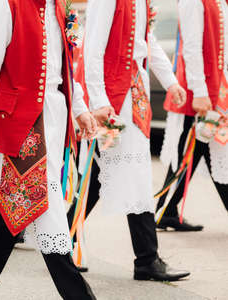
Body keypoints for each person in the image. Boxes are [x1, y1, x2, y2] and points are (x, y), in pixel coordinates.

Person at [0, 1, 97, 299]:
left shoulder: (59, 7)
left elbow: (66, 68)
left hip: (54, 119)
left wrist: (80, 108)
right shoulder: (6, 5)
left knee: (15, 206)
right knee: (36, 202)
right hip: (24, 123)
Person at [77, 0, 191, 281]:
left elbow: (145, 40)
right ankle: (146, 259)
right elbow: (92, 47)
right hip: (114, 96)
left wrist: (171, 81)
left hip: (133, 94)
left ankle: (144, 259)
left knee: (111, 174)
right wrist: (99, 99)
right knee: (117, 173)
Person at [157, 0, 228, 231]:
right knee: (199, 149)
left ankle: (165, 211)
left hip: (215, 90)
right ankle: (164, 210)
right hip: (198, 94)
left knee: (202, 149)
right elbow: (191, 47)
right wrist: (200, 91)